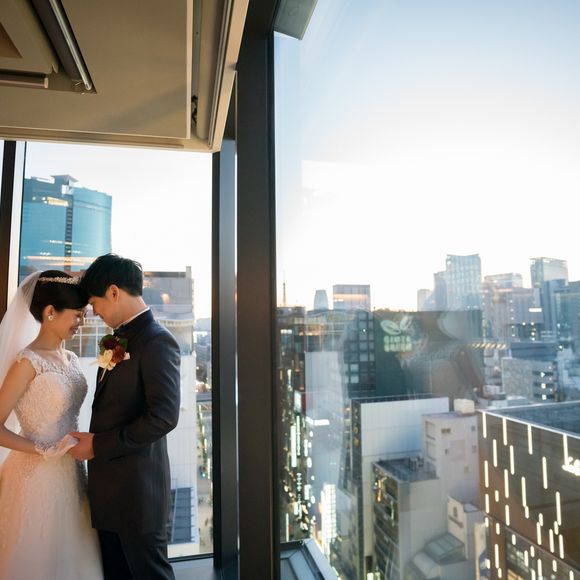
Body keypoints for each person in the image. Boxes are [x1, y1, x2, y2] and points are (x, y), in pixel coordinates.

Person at [69, 254, 180, 580]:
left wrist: (97, 445)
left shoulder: (158, 341)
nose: (94, 312)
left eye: (94, 303)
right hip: (109, 494)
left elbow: (163, 417)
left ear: (114, 292)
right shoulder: (116, 339)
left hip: (137, 497)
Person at [0, 270, 103, 580]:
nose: (82, 321)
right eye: (77, 314)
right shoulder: (27, 361)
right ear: (49, 312)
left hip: (72, 472)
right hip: (35, 475)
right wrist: (43, 449)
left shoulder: (71, 358)